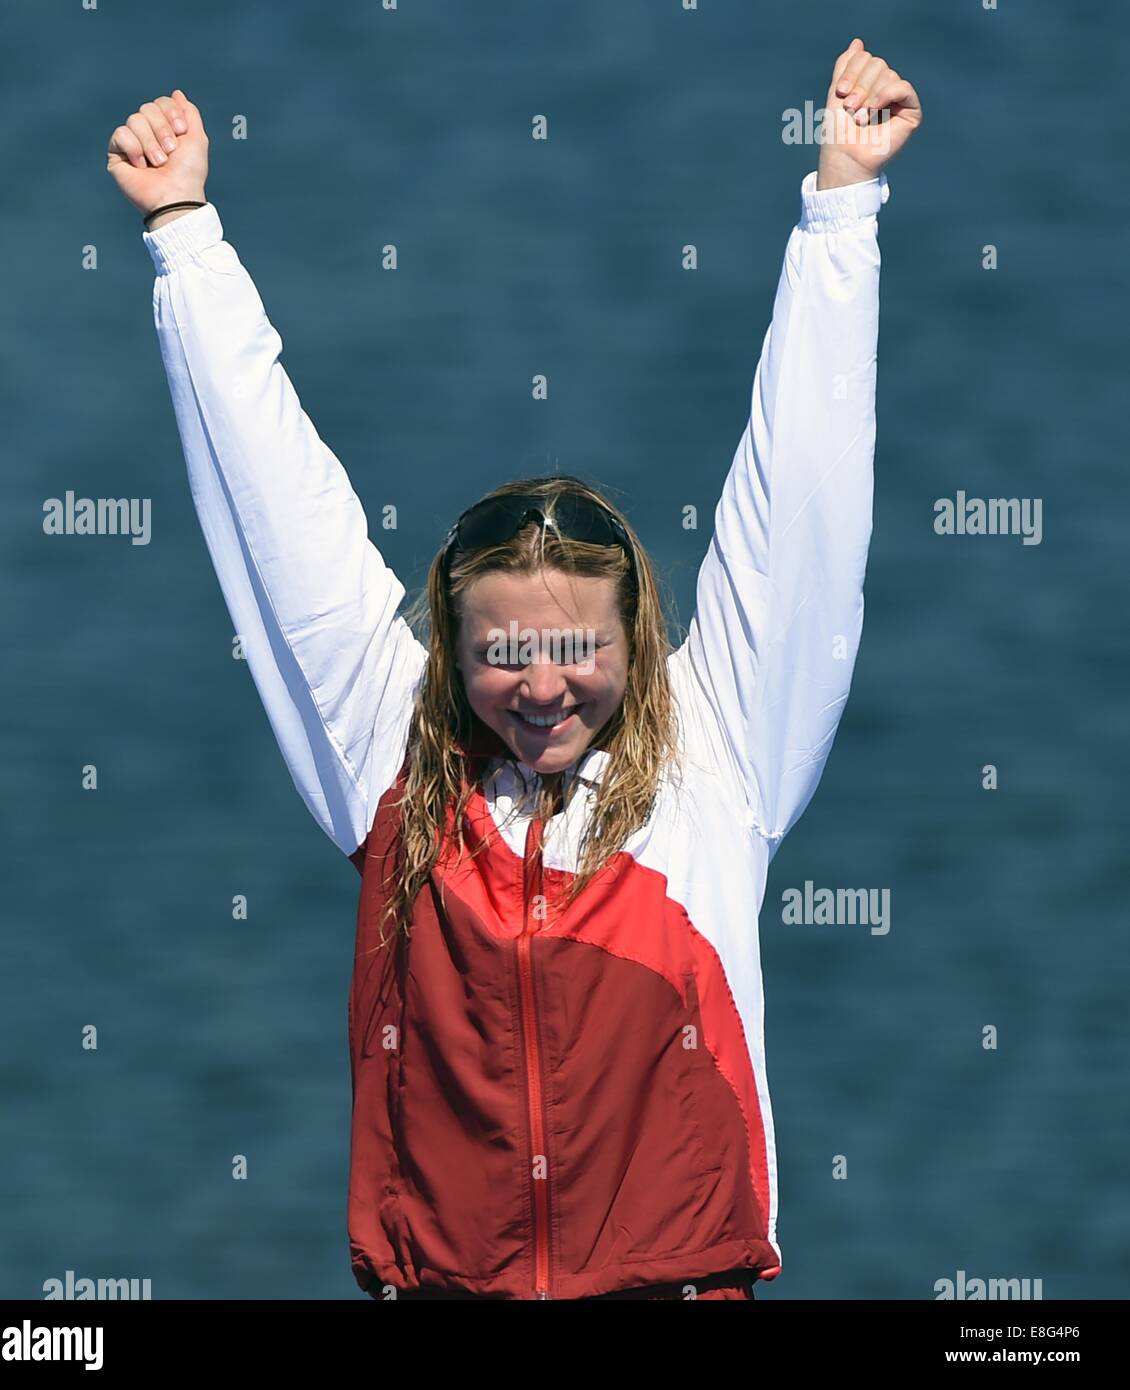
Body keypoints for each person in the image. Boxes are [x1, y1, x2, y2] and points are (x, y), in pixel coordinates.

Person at [107, 38, 921, 1300]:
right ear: (452, 645)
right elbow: (281, 523)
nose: (540, 689)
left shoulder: (718, 760)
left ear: (632, 637)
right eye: (501, 653)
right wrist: (184, 234)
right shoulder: (392, 759)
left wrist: (840, 206)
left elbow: (800, 504)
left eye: (574, 650)